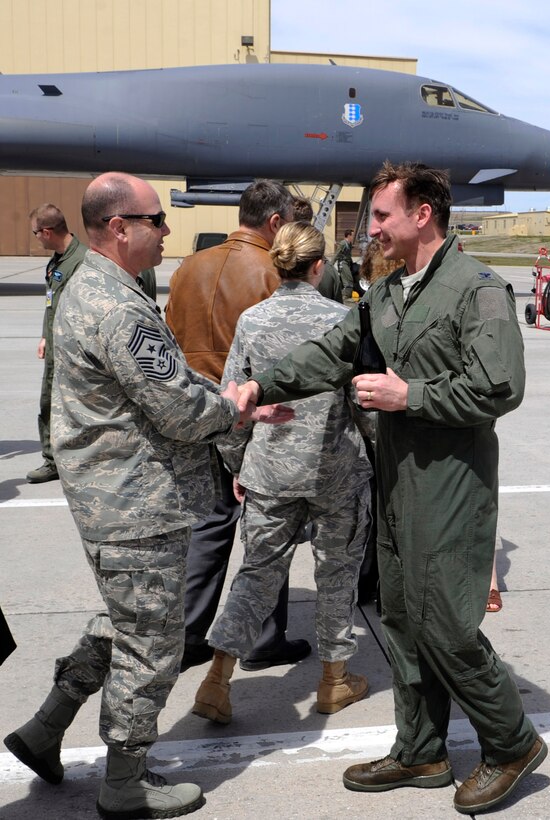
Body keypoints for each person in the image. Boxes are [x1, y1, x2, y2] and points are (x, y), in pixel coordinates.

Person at [237, 162, 547, 815]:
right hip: (398, 479)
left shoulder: (475, 288)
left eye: (381, 215)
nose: (370, 227)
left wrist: (412, 395)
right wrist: (261, 385)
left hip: (452, 480)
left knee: (447, 623)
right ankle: (422, 751)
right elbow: (330, 353)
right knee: (402, 615)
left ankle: (512, 741)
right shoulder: (386, 296)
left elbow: (501, 385)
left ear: (422, 215)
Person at [3, 172, 291, 820]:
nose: (166, 230)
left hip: (115, 500)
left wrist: (222, 401)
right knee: (152, 647)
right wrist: (239, 409)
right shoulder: (115, 304)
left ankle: (46, 729)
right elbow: (179, 409)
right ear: (118, 228)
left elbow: (166, 376)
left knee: (124, 623)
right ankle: (125, 782)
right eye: (156, 219)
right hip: (136, 506)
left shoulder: (101, 288)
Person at [193, 221, 374, 723]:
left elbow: (234, 399)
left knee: (255, 576)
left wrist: (237, 462)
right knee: (337, 575)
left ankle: (217, 680)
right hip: (335, 471)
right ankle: (334, 681)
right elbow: (364, 404)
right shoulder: (345, 319)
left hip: (270, 472)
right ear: (319, 266)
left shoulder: (253, 320)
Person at [165, 180, 311, 674]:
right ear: (275, 223)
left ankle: (189, 633)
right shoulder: (272, 272)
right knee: (267, 529)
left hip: (193, 415)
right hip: (250, 416)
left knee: (208, 526)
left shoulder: (189, 267)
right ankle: (264, 636)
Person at [26, 205, 87, 484]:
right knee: (48, 402)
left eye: (36, 233)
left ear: (47, 232)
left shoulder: (81, 262)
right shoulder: (58, 261)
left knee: (77, 406)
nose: (36, 238)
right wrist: (44, 335)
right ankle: (52, 460)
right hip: (54, 345)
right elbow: (51, 301)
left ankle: (77, 461)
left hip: (72, 350)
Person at [331, 228, 355, 300]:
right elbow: (336, 254)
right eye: (352, 235)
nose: (353, 237)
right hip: (343, 264)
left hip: (347, 263)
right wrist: (331, 265)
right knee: (348, 280)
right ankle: (344, 297)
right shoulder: (343, 243)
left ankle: (343, 295)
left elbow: (348, 254)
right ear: (348, 236)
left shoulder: (349, 244)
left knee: (346, 280)